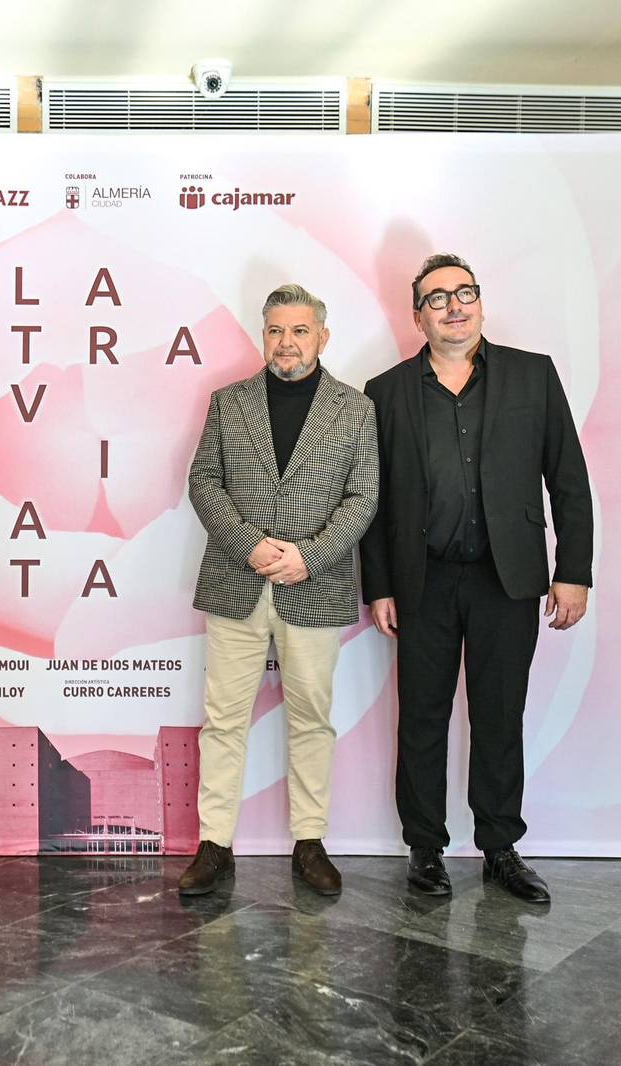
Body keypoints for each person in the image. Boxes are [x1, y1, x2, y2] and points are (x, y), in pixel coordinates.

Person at [361, 253, 594, 903]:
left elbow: (569, 482)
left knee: (499, 716)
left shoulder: (533, 376)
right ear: (418, 316)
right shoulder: (386, 393)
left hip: (506, 578)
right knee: (423, 719)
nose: (453, 305)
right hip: (422, 581)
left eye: (464, 293)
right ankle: (426, 850)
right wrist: (379, 584)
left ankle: (500, 848)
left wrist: (572, 572)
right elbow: (373, 502)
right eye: (437, 298)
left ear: (481, 304)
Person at [179, 283, 379, 897]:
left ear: (322, 335)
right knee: (222, 721)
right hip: (236, 584)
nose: (286, 342)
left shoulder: (354, 409)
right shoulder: (227, 402)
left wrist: (311, 557)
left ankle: (309, 842)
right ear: (262, 334)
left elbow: (364, 496)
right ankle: (215, 845)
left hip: (313, 588)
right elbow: (203, 484)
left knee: (312, 718)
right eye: (274, 330)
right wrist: (250, 545)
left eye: (298, 331)